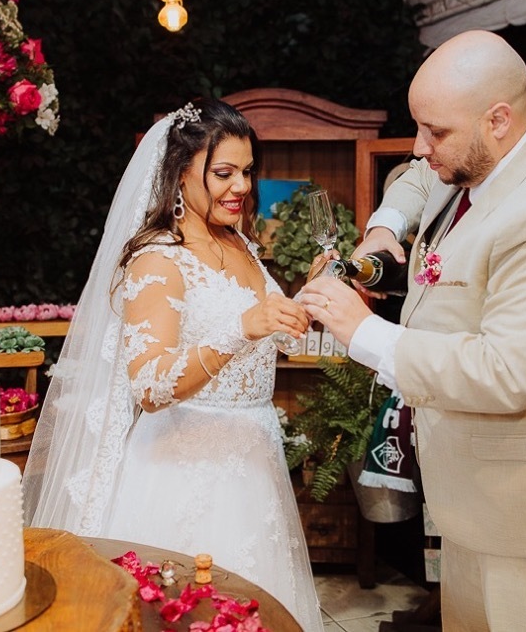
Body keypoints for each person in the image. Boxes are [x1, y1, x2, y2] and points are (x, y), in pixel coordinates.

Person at [300, 30, 526, 631]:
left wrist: (360, 328)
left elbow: (508, 373)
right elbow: (420, 179)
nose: (419, 148)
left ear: (497, 119)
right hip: (484, 492)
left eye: (435, 132)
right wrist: (385, 228)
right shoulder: (498, 147)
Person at [22, 98, 323, 630]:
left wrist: (305, 304)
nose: (241, 188)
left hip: (252, 466)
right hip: (184, 473)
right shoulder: (159, 258)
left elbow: (268, 337)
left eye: (247, 172)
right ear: (181, 174)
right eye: (224, 173)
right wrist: (241, 328)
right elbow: (150, 385)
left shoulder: (242, 247)